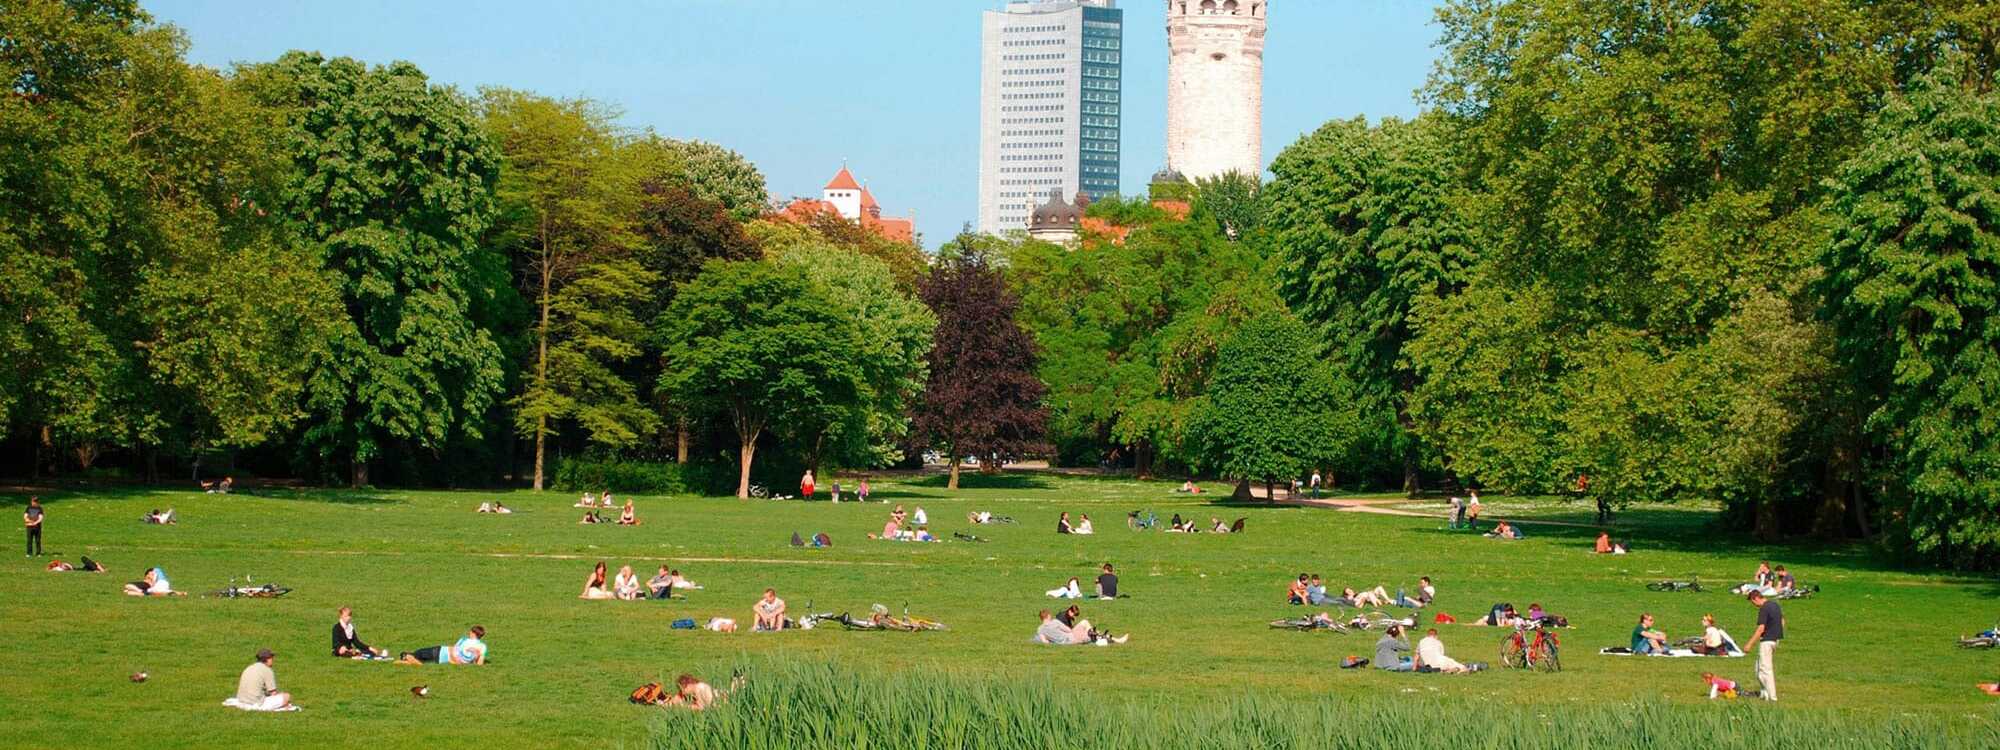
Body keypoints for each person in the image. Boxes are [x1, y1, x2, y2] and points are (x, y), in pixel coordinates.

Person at [1744, 591, 1784, 701]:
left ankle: (1772, 697)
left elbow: (1761, 628)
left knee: (1766, 669)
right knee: (1758, 668)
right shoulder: (1775, 605)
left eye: (1753, 602)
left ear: (1756, 598)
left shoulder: (1764, 608)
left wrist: (1749, 644)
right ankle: (1764, 693)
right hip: (1775, 640)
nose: (1754, 605)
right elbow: (1782, 620)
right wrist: (1778, 634)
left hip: (1767, 641)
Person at [400, 626, 488, 666]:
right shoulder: (482, 647)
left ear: (473, 633)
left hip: (440, 651)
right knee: (420, 658)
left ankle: (407, 657)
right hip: (442, 660)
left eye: (470, 631)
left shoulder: (464, 639)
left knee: (417, 654)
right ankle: (410, 660)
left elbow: (454, 649)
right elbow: (480, 663)